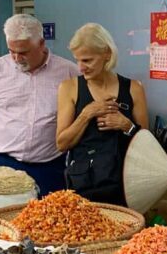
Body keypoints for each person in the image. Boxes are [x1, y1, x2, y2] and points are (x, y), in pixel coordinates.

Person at [0, 15, 79, 195]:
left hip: (51, 166)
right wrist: (12, 132)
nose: (16, 58)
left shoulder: (68, 71)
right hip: (3, 164)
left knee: (49, 219)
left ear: (42, 44)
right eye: (11, 51)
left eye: (23, 52)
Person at [56, 23, 149, 205]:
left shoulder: (134, 88)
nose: (81, 67)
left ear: (107, 53)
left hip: (124, 185)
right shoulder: (69, 88)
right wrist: (86, 114)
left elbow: (146, 143)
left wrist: (126, 125)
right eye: (78, 60)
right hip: (84, 186)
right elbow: (62, 143)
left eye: (88, 60)